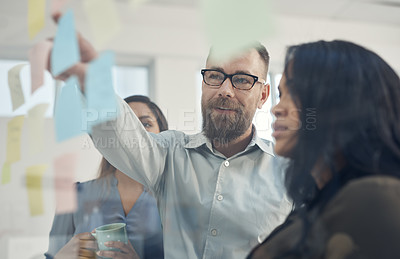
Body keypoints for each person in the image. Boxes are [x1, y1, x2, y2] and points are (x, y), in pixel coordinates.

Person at [47, 13, 292, 259]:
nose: (225, 90)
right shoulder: (171, 154)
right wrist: (94, 86)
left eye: (241, 79)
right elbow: (126, 139)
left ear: (263, 95)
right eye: (215, 76)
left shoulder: (289, 172)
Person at [247, 40, 400, 259]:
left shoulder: (375, 199)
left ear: (345, 105)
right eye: (281, 94)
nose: (277, 108)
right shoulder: (318, 205)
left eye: (297, 93)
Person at [45, 95, 167, 259]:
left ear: (164, 136)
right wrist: (61, 256)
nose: (135, 132)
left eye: (145, 124)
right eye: (123, 124)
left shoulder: (177, 197)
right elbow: (52, 255)